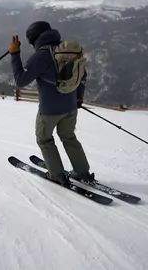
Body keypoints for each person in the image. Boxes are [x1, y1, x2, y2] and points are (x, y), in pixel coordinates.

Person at [8, 21, 94, 187]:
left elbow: (20, 80)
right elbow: (82, 75)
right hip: (70, 107)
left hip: (49, 110)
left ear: (33, 38)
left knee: (45, 139)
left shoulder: (41, 56)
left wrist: (14, 53)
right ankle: (83, 172)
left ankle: (57, 174)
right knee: (69, 137)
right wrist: (78, 98)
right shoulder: (67, 50)